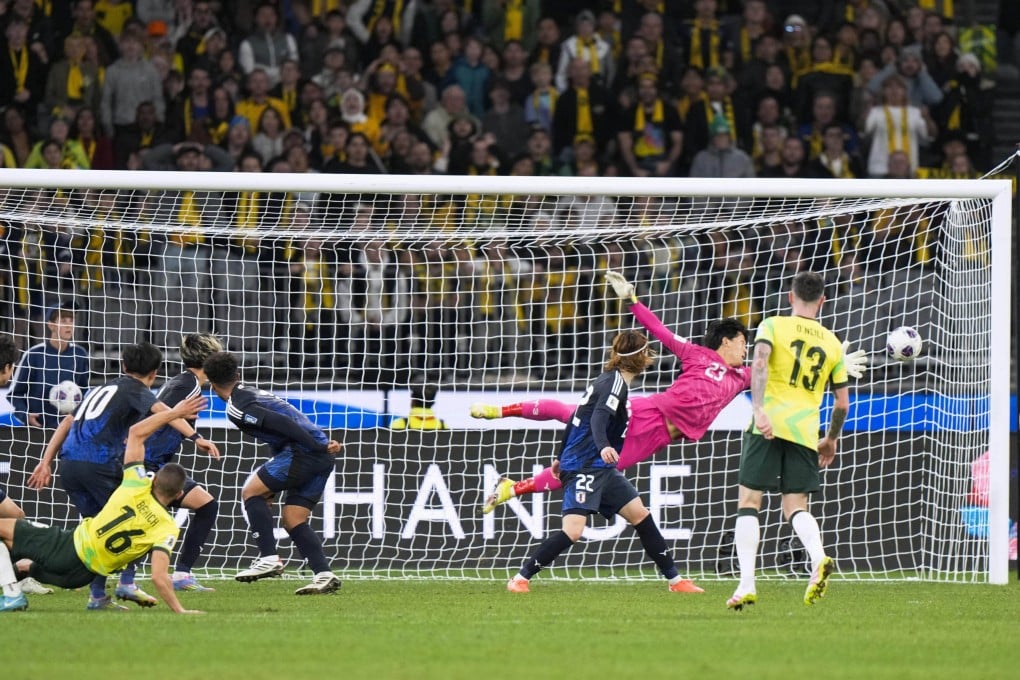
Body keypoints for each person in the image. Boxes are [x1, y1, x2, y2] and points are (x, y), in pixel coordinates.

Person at [475, 272, 867, 513]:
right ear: (727, 341)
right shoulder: (695, 354)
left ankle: (513, 488)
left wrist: (836, 370)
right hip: (649, 411)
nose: (746, 348)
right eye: (742, 342)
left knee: (593, 468)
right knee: (573, 411)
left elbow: (783, 372)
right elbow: (660, 331)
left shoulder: (743, 377)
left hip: (662, 436)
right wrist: (632, 301)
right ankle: (501, 408)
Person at [27, 341, 220, 610]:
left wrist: (44, 462)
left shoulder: (99, 388)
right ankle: (126, 582)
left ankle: (96, 595)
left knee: (97, 530)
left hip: (69, 465)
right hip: (100, 464)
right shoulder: (135, 389)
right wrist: (196, 436)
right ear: (154, 373)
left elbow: (68, 422)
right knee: (135, 519)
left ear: (124, 365)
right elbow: (164, 412)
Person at [506, 329, 700, 594]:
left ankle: (676, 581)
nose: (649, 357)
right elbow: (597, 419)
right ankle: (520, 578)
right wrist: (604, 446)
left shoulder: (608, 379)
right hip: (585, 465)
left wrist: (558, 456)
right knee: (573, 531)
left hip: (599, 467)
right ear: (639, 356)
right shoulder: (615, 384)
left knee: (641, 516)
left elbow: (577, 419)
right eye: (646, 352)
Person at [0, 394, 208, 614]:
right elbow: (158, 576)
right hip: (80, 576)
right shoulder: (167, 528)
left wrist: (174, 413)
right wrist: (180, 610)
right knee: (22, 567)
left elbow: (135, 434)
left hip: (68, 548)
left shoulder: (135, 484)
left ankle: (13, 596)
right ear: (179, 495)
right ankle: (15, 586)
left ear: (154, 479)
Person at [727, 271, 849, 611]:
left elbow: (761, 363)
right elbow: (842, 403)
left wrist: (760, 408)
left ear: (790, 297)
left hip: (768, 424)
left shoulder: (773, 325)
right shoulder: (833, 343)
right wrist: (830, 440)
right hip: (805, 431)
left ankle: (747, 584)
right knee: (796, 506)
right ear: (822, 301)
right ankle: (818, 557)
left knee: (750, 502)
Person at [202, 351, 343, 595]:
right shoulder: (252, 391)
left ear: (210, 383)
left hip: (306, 451)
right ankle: (324, 574)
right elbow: (278, 429)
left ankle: (269, 557)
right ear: (237, 374)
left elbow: (283, 424)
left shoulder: (238, 406)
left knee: (251, 492)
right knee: (293, 519)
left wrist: (316, 446)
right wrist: (319, 446)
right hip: (319, 454)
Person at [143, 333, 224, 592]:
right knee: (146, 523)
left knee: (206, 505)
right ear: (209, 360)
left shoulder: (185, 382)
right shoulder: (185, 384)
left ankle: (181, 575)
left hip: (158, 463)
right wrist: (196, 437)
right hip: (145, 464)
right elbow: (163, 411)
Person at [7, 303, 90, 429]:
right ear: (51, 325)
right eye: (63, 321)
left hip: (69, 429)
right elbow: (14, 394)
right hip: (39, 429)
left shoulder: (80, 354)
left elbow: (85, 391)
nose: (69, 325)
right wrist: (26, 415)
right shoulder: (34, 355)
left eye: (71, 320)